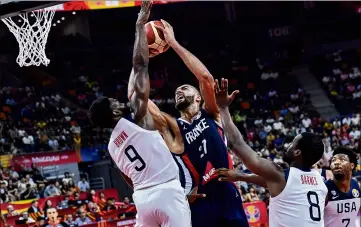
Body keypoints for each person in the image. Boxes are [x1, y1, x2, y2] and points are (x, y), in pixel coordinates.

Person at [135, 20, 248, 227]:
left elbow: (205, 77)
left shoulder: (212, 113)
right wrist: (141, 58)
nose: (179, 90)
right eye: (177, 91)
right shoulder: (174, 128)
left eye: (186, 89)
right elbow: (137, 96)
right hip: (200, 200)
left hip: (226, 192)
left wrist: (173, 43)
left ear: (198, 97)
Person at [87, 2, 191, 227]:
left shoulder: (112, 146)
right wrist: (139, 26)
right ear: (114, 111)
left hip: (142, 200)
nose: (120, 101)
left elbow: (128, 179)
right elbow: (141, 65)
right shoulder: (138, 116)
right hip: (167, 191)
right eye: (115, 102)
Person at [214, 78, 328, 227]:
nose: (288, 146)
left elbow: (236, 143)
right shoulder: (321, 182)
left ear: (297, 152)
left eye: (292, 144)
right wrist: (241, 176)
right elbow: (279, 185)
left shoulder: (280, 175)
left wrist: (223, 108)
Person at [324, 147, 360, 227]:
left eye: (342, 160)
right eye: (333, 160)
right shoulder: (324, 188)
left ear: (352, 165)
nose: (336, 162)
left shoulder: (356, 186)